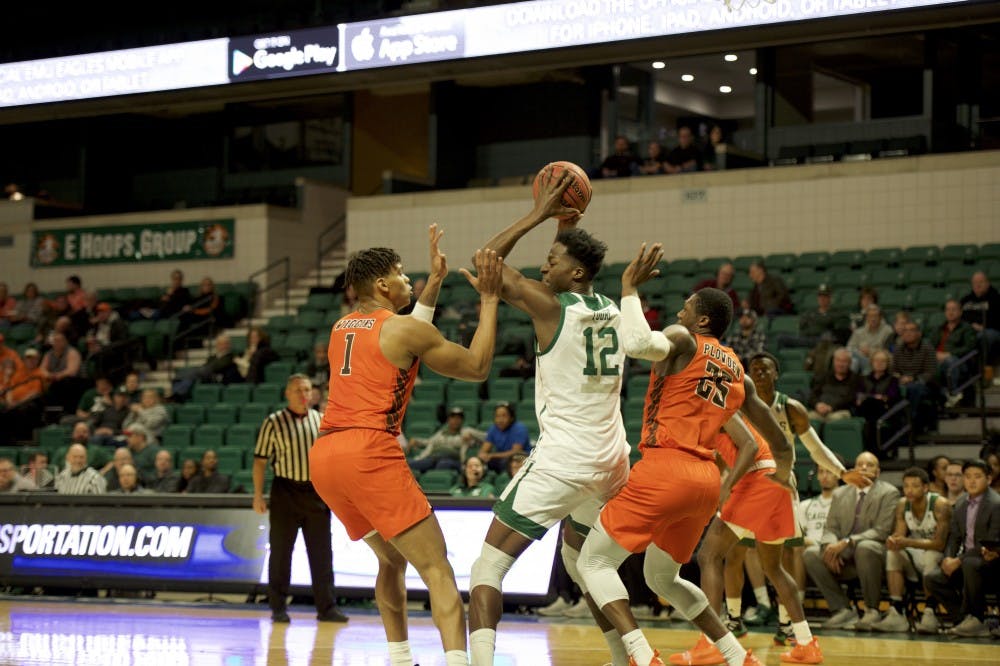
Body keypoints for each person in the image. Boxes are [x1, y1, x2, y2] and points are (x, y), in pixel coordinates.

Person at [308, 224, 503, 666]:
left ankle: (400, 659)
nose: (407, 280)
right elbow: (476, 366)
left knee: (391, 560)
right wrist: (490, 300)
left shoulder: (343, 327)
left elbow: (403, 332)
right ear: (381, 284)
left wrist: (434, 283)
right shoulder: (401, 329)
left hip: (326, 458)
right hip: (367, 452)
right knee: (437, 568)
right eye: (400, 274)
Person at [576, 248, 773, 666]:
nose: (679, 313)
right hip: (705, 480)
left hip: (667, 466)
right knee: (663, 576)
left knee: (591, 562)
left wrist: (628, 289)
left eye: (686, 309)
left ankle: (640, 655)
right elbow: (759, 433)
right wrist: (786, 459)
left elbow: (636, 344)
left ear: (702, 320)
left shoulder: (684, 339)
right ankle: (736, 654)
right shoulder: (736, 367)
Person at [467, 174, 631, 666]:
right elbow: (564, 266)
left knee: (487, 566)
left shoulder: (551, 308)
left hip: (566, 461)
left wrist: (539, 213)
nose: (544, 266)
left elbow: (486, 259)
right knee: (583, 564)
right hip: (613, 463)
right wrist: (565, 227)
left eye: (552, 261)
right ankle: (626, 658)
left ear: (575, 274)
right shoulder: (614, 310)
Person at [744, 351, 869, 645]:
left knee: (786, 555)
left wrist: (840, 472)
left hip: (781, 486)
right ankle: (749, 610)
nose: (759, 374)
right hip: (750, 485)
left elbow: (814, 448)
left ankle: (788, 622)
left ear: (777, 374)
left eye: (765, 370)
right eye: (754, 370)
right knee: (741, 550)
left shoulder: (791, 408)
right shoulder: (742, 405)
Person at [252, 373, 347, 623]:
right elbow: (260, 462)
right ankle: (278, 607)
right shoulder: (273, 422)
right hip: (285, 491)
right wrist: (257, 495)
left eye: (306, 389)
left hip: (316, 492)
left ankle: (327, 608)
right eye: (298, 390)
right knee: (281, 552)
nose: (303, 394)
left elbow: (332, 459)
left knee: (322, 553)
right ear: (287, 393)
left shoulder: (322, 420)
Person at [802, 452, 900, 631]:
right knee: (811, 554)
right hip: (844, 557)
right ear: (853, 470)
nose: (863, 468)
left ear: (878, 472)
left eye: (869, 465)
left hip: (874, 555)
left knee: (865, 547)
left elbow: (882, 531)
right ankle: (842, 609)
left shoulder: (889, 492)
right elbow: (830, 528)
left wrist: (848, 542)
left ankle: (872, 610)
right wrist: (830, 547)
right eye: (860, 464)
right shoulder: (840, 493)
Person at [923, 459, 1000, 637]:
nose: (972, 481)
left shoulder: (996, 504)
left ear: (988, 480)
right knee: (932, 578)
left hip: (991, 563)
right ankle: (964, 618)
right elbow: (954, 538)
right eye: (968, 477)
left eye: (977, 477)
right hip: (966, 562)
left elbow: (991, 542)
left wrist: (958, 560)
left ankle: (977, 618)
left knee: (970, 564)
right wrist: (949, 559)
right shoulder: (961, 503)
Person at [872, 467, 951, 633]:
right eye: (906, 485)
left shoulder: (940, 504)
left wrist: (907, 541)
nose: (909, 490)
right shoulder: (902, 504)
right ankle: (896, 611)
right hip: (915, 554)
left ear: (925, 487)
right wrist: (894, 541)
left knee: (930, 555)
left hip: (938, 557)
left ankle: (930, 612)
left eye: (915, 485)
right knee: (893, 553)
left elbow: (939, 544)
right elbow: (900, 536)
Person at [892, 320, 938, 433]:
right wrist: (899, 377)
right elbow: (893, 371)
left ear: (919, 333)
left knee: (914, 388)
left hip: (924, 385)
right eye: (905, 331)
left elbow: (931, 373)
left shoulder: (927, 349)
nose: (907, 333)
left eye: (911, 330)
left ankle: (909, 421)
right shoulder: (898, 350)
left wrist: (913, 378)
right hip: (903, 383)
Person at [930, 299, 978, 407]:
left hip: (960, 362)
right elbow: (929, 347)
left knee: (950, 361)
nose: (950, 312)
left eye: (953, 309)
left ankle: (953, 394)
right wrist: (936, 355)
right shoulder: (939, 329)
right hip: (938, 360)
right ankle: (943, 396)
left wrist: (949, 354)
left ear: (960, 312)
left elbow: (969, 348)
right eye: (948, 310)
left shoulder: (967, 328)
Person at [409, 406, 485, 472]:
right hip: (434, 458)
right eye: (453, 417)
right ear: (448, 419)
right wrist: (417, 441)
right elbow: (428, 442)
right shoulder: (442, 433)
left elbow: (487, 438)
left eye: (458, 418)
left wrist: (473, 437)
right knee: (410, 464)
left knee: (443, 464)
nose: (455, 420)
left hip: (454, 460)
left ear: (462, 420)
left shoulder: (467, 431)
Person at [854, 349, 901, 454]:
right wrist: (875, 397)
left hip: (884, 410)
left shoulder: (893, 380)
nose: (879, 363)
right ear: (871, 362)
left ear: (887, 363)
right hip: (865, 409)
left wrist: (871, 397)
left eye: (883, 361)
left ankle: (873, 450)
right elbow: (858, 395)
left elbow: (890, 397)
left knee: (873, 406)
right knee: (870, 405)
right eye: (876, 360)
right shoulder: (864, 378)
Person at [960, 271, 1000, 369]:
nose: (977, 285)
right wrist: (972, 325)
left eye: (981, 282)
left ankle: (982, 368)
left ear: (987, 283)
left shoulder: (996, 299)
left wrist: (982, 326)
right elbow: (961, 316)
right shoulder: (966, 300)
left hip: (990, 330)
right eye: (975, 282)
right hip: (969, 330)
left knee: (984, 336)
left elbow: (996, 319)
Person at [807, 348, 860, 423]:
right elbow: (813, 395)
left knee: (833, 420)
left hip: (841, 411)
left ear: (850, 363)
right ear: (833, 362)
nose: (841, 364)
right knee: (807, 418)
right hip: (820, 410)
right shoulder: (823, 377)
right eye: (838, 360)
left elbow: (850, 399)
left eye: (844, 361)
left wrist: (831, 407)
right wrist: (817, 405)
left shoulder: (855, 379)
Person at [478, 401, 530, 475]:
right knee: (480, 462)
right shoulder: (493, 429)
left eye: (504, 416)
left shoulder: (519, 428)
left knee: (508, 462)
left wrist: (492, 455)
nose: (500, 419)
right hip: (501, 459)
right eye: (497, 416)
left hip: (521, 459)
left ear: (511, 417)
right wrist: (482, 456)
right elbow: (483, 451)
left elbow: (516, 452)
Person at [846, 304, 894, 374]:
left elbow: (888, 352)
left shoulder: (888, 331)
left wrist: (870, 352)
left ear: (880, 317)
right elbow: (849, 348)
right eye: (870, 316)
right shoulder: (859, 332)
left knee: (857, 361)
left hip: (877, 361)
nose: (873, 319)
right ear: (866, 318)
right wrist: (860, 351)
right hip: (860, 359)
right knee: (854, 361)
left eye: (875, 316)